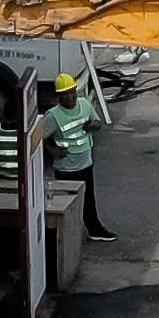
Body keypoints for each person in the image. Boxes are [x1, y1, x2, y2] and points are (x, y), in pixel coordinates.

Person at [42, 69, 111, 240]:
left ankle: (94, 229)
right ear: (59, 97)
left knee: (88, 200)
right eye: (64, 95)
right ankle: (65, 235)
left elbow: (96, 122)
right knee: (66, 204)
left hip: (85, 163)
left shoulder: (85, 105)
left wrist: (93, 126)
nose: (69, 98)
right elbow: (38, 138)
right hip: (65, 168)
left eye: (71, 93)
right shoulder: (53, 116)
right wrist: (53, 151)